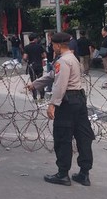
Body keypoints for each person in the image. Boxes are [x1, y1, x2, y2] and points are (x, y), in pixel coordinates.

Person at [27, 32, 94, 187]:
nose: (52, 47)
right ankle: (84, 173)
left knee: (63, 137)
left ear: (57, 45)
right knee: (83, 136)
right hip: (79, 101)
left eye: (52, 45)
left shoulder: (63, 61)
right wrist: (35, 84)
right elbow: (52, 76)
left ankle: (62, 174)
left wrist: (53, 104)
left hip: (67, 103)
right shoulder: (73, 58)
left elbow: (60, 84)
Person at [23, 34, 46, 101]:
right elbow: (44, 55)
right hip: (39, 66)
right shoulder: (39, 46)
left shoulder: (27, 47)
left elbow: (24, 57)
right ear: (35, 39)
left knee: (33, 81)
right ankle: (42, 97)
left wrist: (28, 60)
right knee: (41, 81)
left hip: (31, 66)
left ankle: (35, 97)